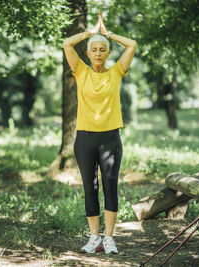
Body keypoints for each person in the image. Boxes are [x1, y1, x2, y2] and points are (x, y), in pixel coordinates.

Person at [63, 11, 136, 255]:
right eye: (93, 49)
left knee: (110, 186)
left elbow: (133, 44)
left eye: (102, 50)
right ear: (88, 53)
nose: (97, 53)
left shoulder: (117, 72)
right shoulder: (80, 71)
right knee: (90, 187)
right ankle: (94, 238)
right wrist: (90, 33)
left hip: (110, 139)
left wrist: (108, 35)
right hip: (85, 139)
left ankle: (109, 238)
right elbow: (66, 43)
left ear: (107, 53)